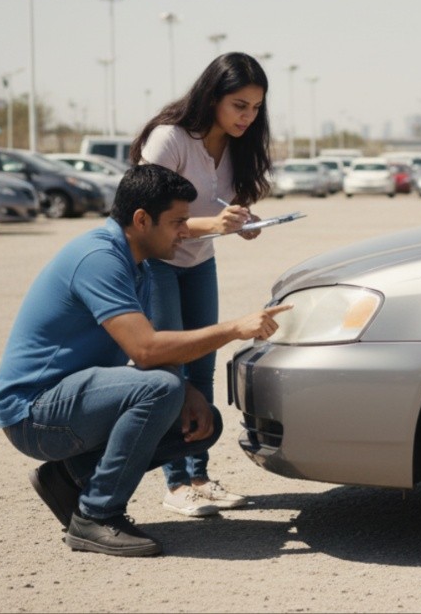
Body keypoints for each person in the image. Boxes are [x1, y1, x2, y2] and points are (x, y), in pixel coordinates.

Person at [0, 164, 290, 557]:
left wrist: (188, 391)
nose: (185, 231)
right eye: (178, 222)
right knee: (161, 389)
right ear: (141, 220)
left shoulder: (138, 264)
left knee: (202, 423)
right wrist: (235, 328)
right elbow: (145, 350)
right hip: (34, 415)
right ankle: (96, 515)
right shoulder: (99, 258)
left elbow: (156, 352)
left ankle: (69, 477)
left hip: (69, 402)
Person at [130, 52, 274, 517]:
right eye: (239, 105)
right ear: (212, 97)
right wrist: (214, 225)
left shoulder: (237, 146)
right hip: (157, 264)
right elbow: (147, 217)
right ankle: (175, 484)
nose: (247, 117)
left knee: (203, 368)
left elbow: (217, 209)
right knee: (170, 369)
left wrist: (241, 222)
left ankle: (199, 477)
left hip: (199, 263)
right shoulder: (170, 138)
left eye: (255, 108)